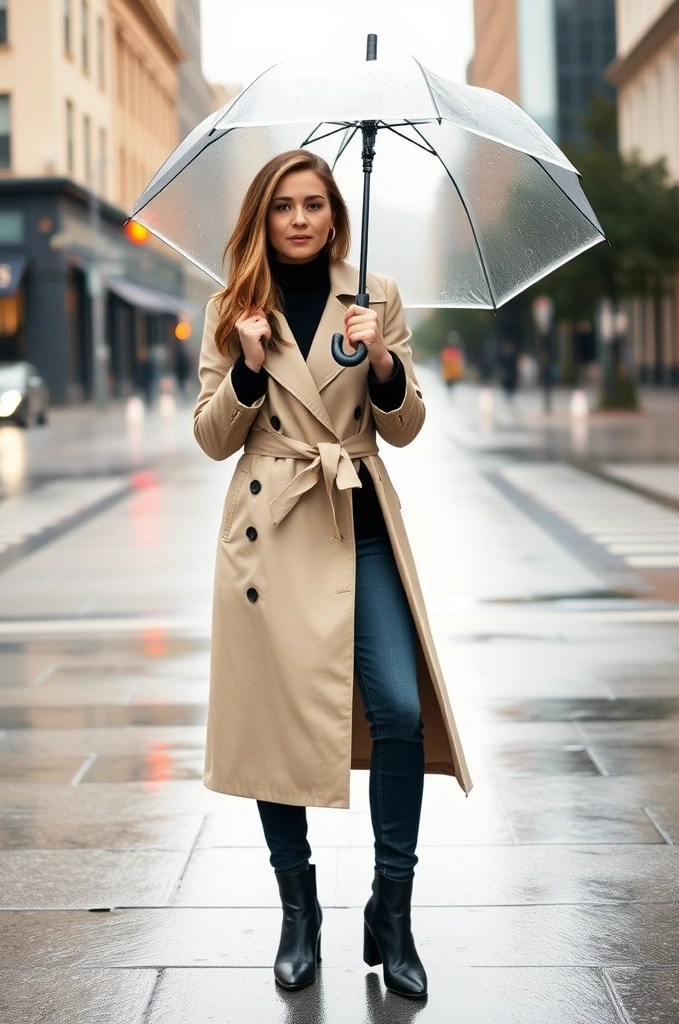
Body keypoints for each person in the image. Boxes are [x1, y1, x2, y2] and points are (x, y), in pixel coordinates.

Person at [193, 150, 472, 1000]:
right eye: (284, 206)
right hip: (271, 533)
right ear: (263, 216)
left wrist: (382, 362)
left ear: (335, 216)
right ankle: (298, 910)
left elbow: (407, 427)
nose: (300, 219)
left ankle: (393, 909)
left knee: (397, 706)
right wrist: (247, 365)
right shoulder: (232, 306)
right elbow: (210, 436)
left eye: (315, 204)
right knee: (273, 723)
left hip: (357, 515)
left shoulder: (374, 295)